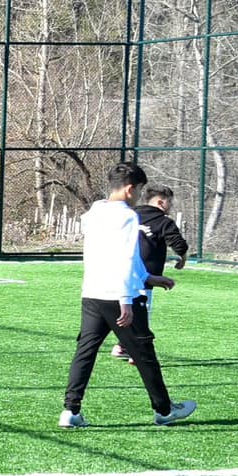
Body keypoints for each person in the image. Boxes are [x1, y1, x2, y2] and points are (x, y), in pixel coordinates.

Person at [60, 161, 196, 429]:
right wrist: (126, 300)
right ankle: (165, 411)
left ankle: (70, 410)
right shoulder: (127, 216)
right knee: (144, 354)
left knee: (85, 352)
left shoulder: (96, 211)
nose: (138, 197)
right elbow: (123, 257)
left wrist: (147, 278)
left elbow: (114, 253)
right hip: (121, 296)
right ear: (131, 189)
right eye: (139, 190)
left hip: (92, 294)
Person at [111, 184, 190, 363]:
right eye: (169, 202)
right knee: (141, 310)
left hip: (119, 270)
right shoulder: (163, 221)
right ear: (161, 202)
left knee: (121, 308)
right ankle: (135, 350)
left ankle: (122, 345)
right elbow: (180, 245)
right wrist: (183, 259)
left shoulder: (129, 215)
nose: (170, 206)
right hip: (145, 274)